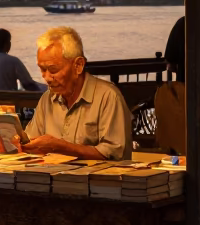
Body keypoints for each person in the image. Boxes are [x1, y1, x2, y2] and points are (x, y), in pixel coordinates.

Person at [11, 26, 132, 161]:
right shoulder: (47, 99)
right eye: (42, 70)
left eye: (53, 70)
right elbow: (31, 141)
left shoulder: (108, 97)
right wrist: (21, 143)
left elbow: (113, 154)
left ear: (78, 65)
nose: (46, 78)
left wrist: (59, 147)